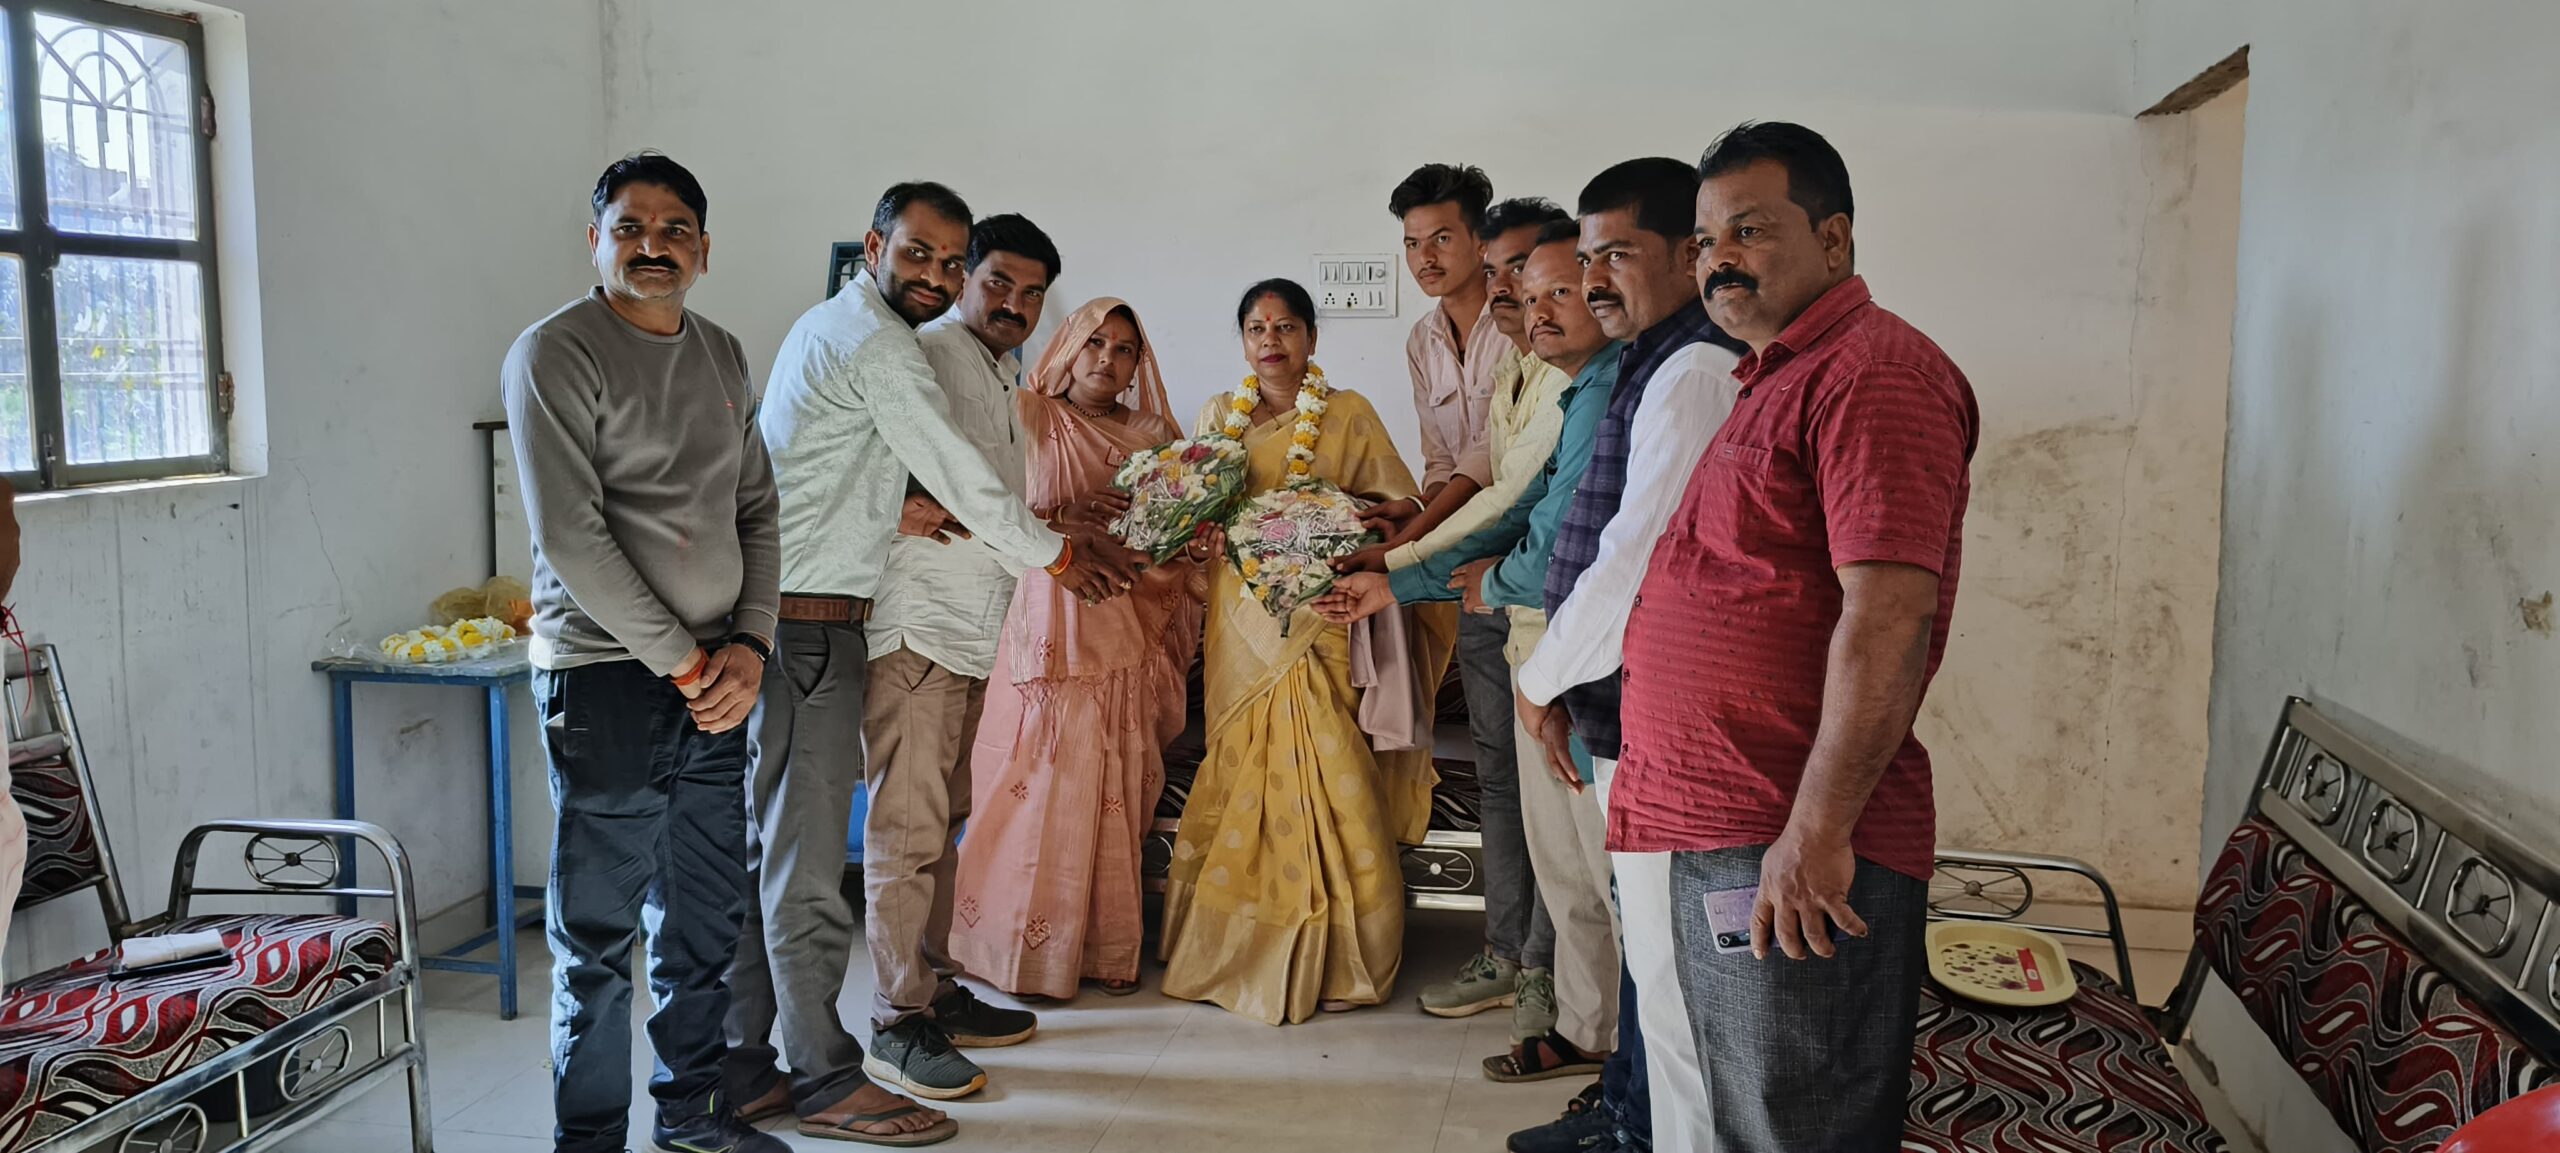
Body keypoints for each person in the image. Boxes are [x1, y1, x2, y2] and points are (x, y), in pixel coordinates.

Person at [744, 182, 1140, 1122]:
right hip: (910, 627)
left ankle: (932, 985)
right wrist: (1061, 556)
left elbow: (977, 495)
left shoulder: (995, 371)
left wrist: (1064, 530)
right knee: (907, 830)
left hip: (965, 630)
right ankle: (896, 1017)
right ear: (881, 249)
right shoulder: (916, 350)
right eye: (994, 280)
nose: (1010, 302)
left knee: (944, 818)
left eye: (1029, 292)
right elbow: (956, 484)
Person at [1627, 121, 1977, 1151]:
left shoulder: (1873, 372)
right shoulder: (1780, 372)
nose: (1717, 259)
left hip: (1793, 835)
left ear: (1833, 238)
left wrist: (1817, 833)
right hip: (1742, 819)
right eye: (1704, 240)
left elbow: (1889, 617)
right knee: (1756, 1105)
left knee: (1797, 1119)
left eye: (1749, 230)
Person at [502, 152, 790, 1153]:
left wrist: (749, 643)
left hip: (715, 677)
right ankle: (588, 1142)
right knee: (596, 943)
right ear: (596, 241)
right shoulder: (554, 353)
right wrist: (686, 662)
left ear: (705, 251)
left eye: (675, 230)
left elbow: (757, 509)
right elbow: (572, 535)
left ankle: (694, 1116)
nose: (652, 246)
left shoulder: (722, 353)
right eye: (630, 227)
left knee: (704, 919)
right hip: (604, 681)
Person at [1316, 203, 1619, 1085]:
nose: (1522, 296)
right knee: (1537, 821)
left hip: (1569, 641)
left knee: (1598, 859)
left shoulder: (1605, 380)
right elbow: (1478, 480)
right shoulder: (1521, 368)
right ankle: (1571, 1015)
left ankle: (1585, 1018)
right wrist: (1403, 551)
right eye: (1512, 279)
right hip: (1509, 621)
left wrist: (1402, 569)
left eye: (1549, 282)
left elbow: (1532, 515)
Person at [1511, 157, 1748, 1153]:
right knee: (1656, 965)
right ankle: (1637, 1121)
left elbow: (1633, 561)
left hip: (1662, 719)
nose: (1596, 278)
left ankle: (1658, 1132)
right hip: (1625, 706)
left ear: (1689, 255)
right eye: (1588, 256)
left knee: (1675, 982)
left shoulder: (1691, 374)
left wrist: (1539, 681)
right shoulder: (1652, 360)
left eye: (1620, 254)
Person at [1158, 278, 1456, 1025]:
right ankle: (1237, 946)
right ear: (1243, 342)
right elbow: (1194, 523)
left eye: (1286, 326)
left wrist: (1345, 519)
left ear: (1312, 338)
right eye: (1257, 328)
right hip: (1240, 623)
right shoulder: (1216, 417)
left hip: (1322, 617)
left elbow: (1400, 511)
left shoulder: (1347, 412)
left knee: (1333, 761)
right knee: (1240, 764)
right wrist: (1199, 537)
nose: (1271, 340)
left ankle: (1343, 953)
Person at [949, 298, 1208, 1002]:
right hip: (1046, 623)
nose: (1107, 359)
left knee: (1114, 781)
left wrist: (1187, 548)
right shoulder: (1027, 416)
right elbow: (987, 513)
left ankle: (1101, 948)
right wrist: (1062, 518)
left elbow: (1171, 537)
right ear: (1068, 347)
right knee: (1034, 775)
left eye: (1124, 349)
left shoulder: (1154, 435)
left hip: (1124, 622)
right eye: (1095, 342)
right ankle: (1015, 952)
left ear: (1137, 364)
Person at [1353, 163, 1538, 1024]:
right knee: (1499, 767)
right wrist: (1414, 514)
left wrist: (1413, 542)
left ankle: (1557, 960)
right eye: (1410, 243)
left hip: (1532, 564)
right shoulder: (1423, 339)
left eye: (1441, 239)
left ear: (1479, 239)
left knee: (1552, 773)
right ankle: (1508, 950)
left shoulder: (1527, 320)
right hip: (1466, 573)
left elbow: (1497, 463)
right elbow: (1442, 460)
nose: (1425, 258)